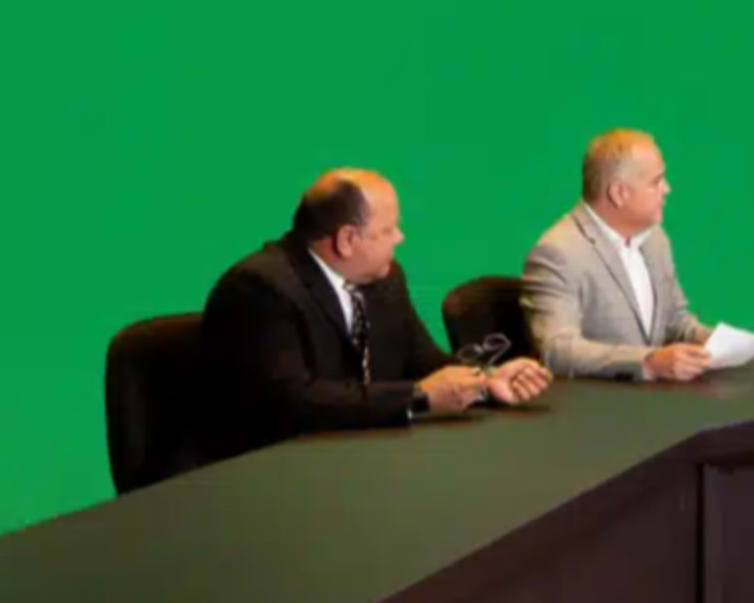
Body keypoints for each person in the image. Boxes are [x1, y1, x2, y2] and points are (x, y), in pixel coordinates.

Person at [198, 169, 546, 460]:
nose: (400, 237)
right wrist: (417, 396)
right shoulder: (259, 289)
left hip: (366, 457)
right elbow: (293, 403)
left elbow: (425, 364)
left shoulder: (385, 279)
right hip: (277, 470)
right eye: (387, 230)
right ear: (347, 239)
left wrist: (486, 380)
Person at [522, 129, 714, 382]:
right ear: (619, 193)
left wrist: (713, 341)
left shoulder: (655, 240)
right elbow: (557, 349)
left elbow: (675, 322)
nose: (667, 189)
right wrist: (648, 362)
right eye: (656, 182)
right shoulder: (558, 252)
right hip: (598, 409)